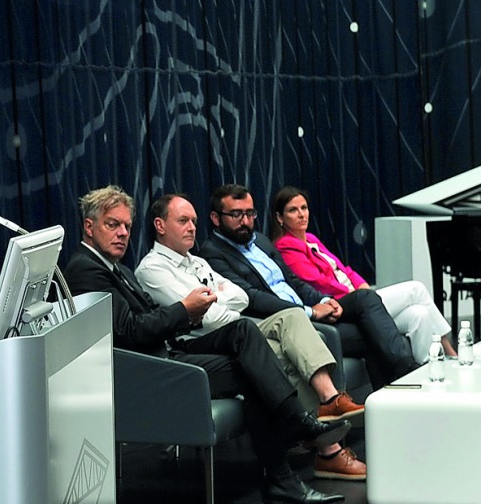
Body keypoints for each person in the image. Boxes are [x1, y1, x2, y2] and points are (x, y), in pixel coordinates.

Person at [62, 185, 352, 504]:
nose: (122, 233)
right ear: (89, 227)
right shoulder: (86, 270)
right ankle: (287, 458)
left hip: (169, 350)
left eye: (127, 226)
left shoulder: (119, 269)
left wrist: (183, 313)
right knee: (253, 368)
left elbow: (230, 300)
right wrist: (184, 309)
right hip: (152, 369)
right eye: (112, 225)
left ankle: (290, 448)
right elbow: (129, 331)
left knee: (243, 331)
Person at [134, 194, 366, 481]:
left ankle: (330, 399)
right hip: (205, 341)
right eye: (183, 221)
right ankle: (328, 450)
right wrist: (218, 298)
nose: (192, 227)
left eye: (193, 221)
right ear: (160, 225)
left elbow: (240, 296)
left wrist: (213, 297)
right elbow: (208, 319)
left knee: (293, 316)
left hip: (237, 327)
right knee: (280, 355)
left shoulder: (196, 261)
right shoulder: (152, 268)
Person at [196, 184, 418, 390]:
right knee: (371, 331)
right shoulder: (213, 253)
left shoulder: (260, 242)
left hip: (308, 309)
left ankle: (394, 394)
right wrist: (310, 311)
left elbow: (293, 281)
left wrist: (323, 301)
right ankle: (405, 378)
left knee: (364, 299)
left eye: (250, 214)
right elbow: (251, 297)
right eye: (236, 215)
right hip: (287, 321)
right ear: (216, 218)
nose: (245, 221)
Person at [269, 185, 455, 363]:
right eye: (293, 210)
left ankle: (427, 369)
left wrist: (362, 287)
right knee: (416, 289)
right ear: (280, 218)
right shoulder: (285, 246)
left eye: (304, 208)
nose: (302, 214)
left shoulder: (311, 239)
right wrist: (358, 295)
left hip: (359, 296)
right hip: (341, 302)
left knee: (419, 314)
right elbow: (317, 282)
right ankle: (451, 352)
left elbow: (344, 270)